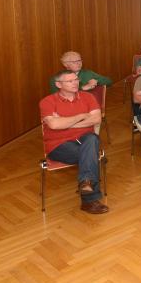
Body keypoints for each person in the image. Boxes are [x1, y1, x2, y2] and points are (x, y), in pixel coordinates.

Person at [40, 70, 109, 214]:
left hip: (85, 140)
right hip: (58, 145)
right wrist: (82, 116)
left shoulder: (88, 97)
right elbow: (54, 125)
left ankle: (86, 187)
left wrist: (64, 122)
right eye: (70, 81)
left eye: (76, 79)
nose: (75, 83)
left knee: (91, 138)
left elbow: (96, 119)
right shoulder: (47, 101)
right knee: (90, 154)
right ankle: (89, 198)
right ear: (58, 84)